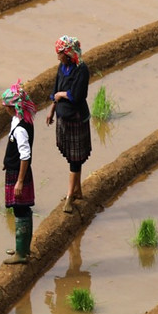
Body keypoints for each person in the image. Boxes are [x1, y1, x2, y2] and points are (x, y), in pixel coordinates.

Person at [46, 35, 91, 213]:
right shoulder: (62, 67)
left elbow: (77, 95)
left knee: (75, 158)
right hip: (63, 117)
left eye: (59, 54)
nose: (57, 57)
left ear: (68, 54)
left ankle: (69, 197)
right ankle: (77, 190)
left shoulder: (81, 70)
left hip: (76, 118)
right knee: (72, 157)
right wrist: (52, 109)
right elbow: (56, 89)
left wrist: (62, 95)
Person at [1, 80, 37, 264]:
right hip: (15, 170)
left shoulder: (21, 128)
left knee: (20, 210)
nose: (5, 109)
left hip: (18, 174)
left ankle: (21, 254)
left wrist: (20, 181)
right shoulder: (20, 120)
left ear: (12, 107)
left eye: (6, 106)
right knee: (23, 209)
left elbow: (25, 155)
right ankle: (23, 248)